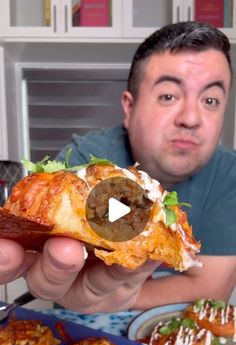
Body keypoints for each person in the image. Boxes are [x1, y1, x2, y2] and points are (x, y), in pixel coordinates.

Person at [1, 21, 236, 312]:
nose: (191, 117)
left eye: (210, 100)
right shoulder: (80, 167)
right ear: (129, 107)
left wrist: (117, 299)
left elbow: (213, 288)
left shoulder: (230, 174)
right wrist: (69, 295)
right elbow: (49, 266)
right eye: (168, 96)